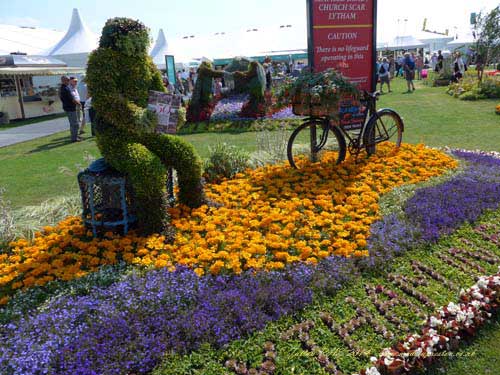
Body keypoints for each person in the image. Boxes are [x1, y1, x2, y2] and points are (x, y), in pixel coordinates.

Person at [59, 76, 81, 142]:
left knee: (73, 123)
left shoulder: (63, 88)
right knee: (75, 124)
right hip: (70, 108)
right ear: (64, 81)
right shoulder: (65, 88)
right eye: (67, 80)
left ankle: (75, 137)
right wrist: (79, 104)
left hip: (68, 107)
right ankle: (74, 138)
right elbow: (72, 99)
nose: (69, 81)